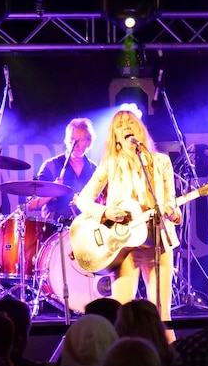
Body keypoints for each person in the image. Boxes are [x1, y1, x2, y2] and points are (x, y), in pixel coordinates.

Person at [74, 110, 181, 324]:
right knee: (120, 310)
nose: (127, 126)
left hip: (158, 242)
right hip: (123, 245)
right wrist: (106, 213)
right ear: (116, 137)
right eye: (120, 125)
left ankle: (172, 357)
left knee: (162, 314)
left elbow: (172, 202)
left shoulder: (161, 162)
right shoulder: (110, 164)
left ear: (140, 128)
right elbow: (82, 200)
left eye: (131, 122)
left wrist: (174, 213)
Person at [27, 117, 98, 223]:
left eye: (81, 140)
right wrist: (53, 191)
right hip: (56, 230)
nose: (76, 145)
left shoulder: (94, 170)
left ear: (89, 142)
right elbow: (31, 205)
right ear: (66, 141)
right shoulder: (51, 166)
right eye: (72, 140)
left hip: (86, 228)